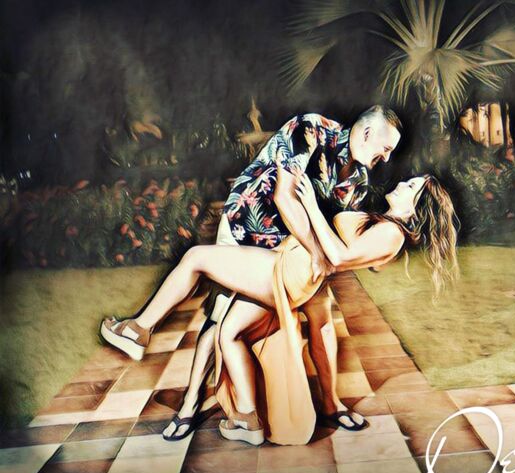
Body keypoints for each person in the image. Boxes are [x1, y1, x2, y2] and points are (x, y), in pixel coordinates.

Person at [101, 105, 403, 433]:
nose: (387, 158)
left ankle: (331, 404)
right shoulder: (311, 129)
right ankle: (188, 402)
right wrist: (319, 253)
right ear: (368, 133)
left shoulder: (357, 180)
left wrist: (361, 254)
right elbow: (284, 197)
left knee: (322, 318)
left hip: (290, 252)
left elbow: (333, 229)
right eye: (386, 148)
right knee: (219, 317)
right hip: (246, 229)